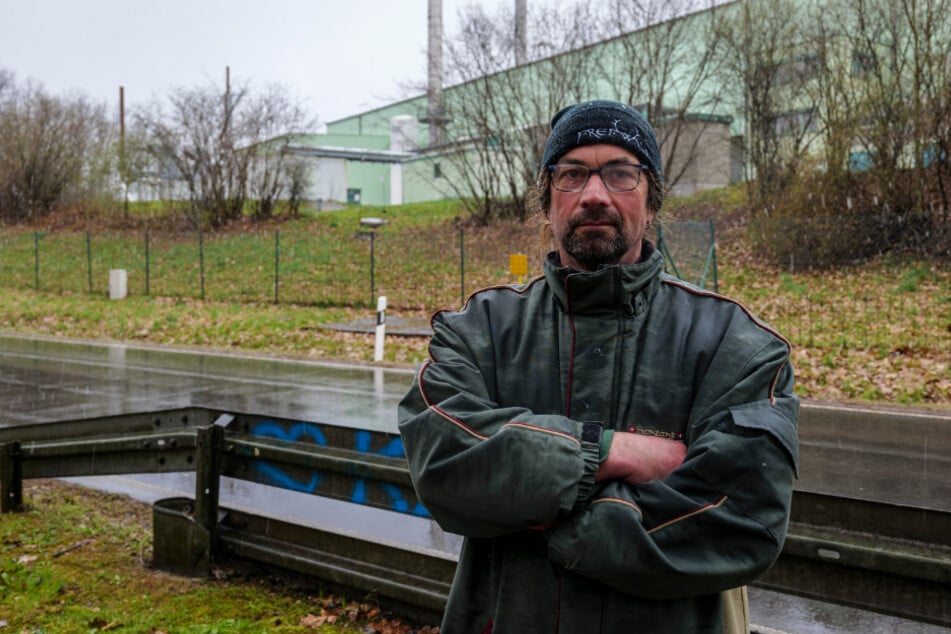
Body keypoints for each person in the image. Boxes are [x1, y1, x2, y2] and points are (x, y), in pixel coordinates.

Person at [398, 100, 799, 634]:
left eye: (619, 173)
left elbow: (742, 518)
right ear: (547, 201)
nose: (594, 194)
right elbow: (443, 462)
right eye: (571, 174)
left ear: (651, 201)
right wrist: (609, 452)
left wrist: (544, 513)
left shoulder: (736, 345)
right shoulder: (479, 332)